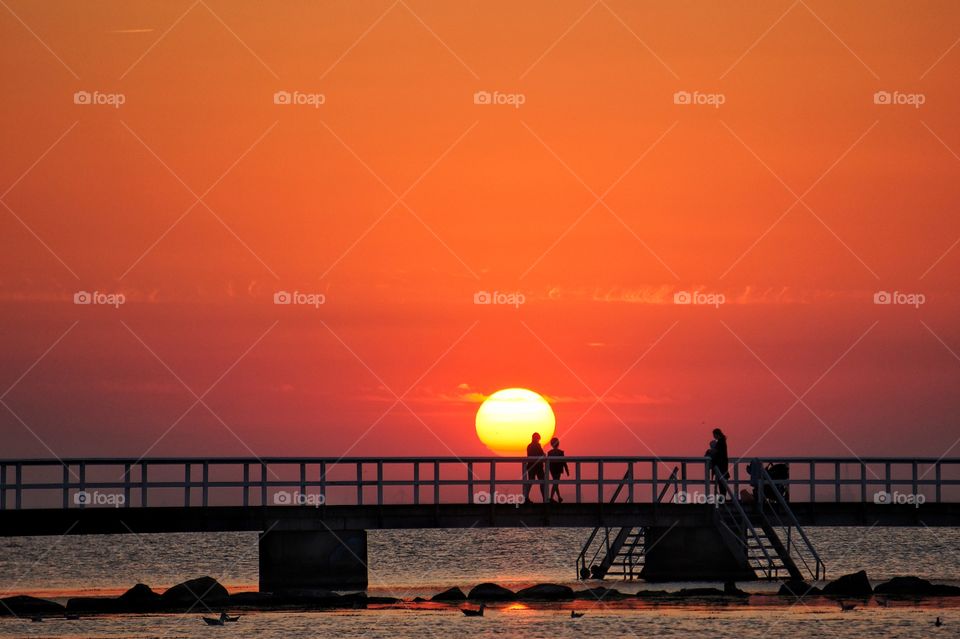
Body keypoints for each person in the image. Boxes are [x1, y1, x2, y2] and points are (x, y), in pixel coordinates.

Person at [523, 432, 546, 503]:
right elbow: (542, 455)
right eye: (538, 439)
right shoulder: (538, 446)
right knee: (542, 482)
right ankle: (544, 499)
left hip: (531, 466)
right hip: (538, 466)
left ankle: (526, 497)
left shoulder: (529, 446)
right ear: (537, 438)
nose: (538, 440)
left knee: (530, 481)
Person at [546, 437, 569, 503]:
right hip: (558, 469)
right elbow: (564, 462)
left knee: (555, 483)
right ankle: (552, 497)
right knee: (556, 483)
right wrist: (567, 470)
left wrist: (547, 470)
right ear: (558, 444)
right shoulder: (560, 452)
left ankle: (558, 497)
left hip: (552, 469)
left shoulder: (549, 453)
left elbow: (548, 462)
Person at [707, 428, 729, 495]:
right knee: (722, 481)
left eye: (714, 434)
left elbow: (716, 451)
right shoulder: (722, 441)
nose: (713, 436)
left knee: (721, 482)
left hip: (721, 465)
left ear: (717, 434)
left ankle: (722, 497)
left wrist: (709, 451)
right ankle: (722, 496)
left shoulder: (720, 442)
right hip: (723, 464)